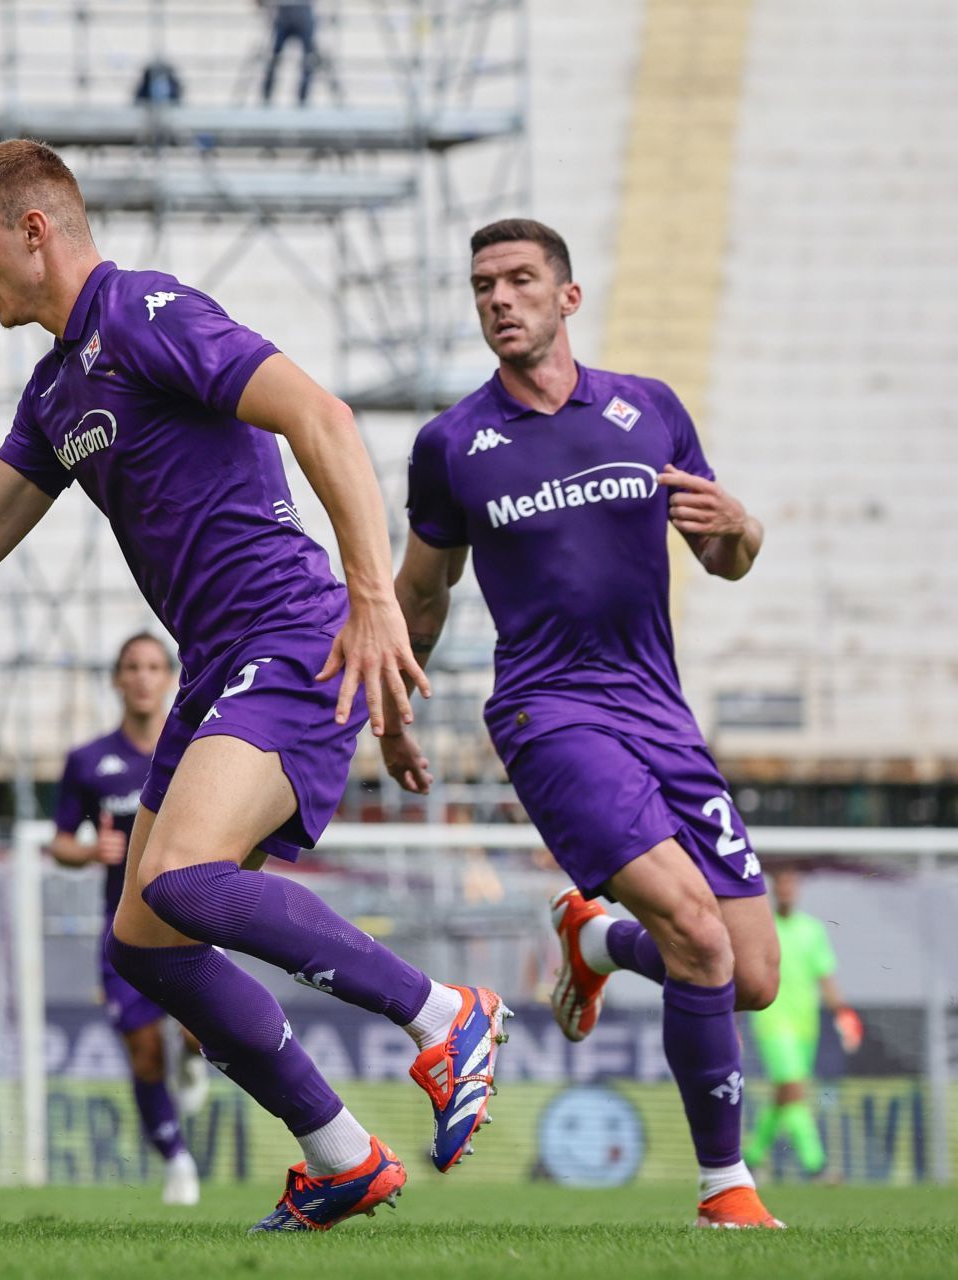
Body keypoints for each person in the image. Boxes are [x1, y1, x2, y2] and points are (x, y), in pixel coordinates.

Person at [0, 139, 510, 1233]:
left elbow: (322, 417)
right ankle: (341, 1152)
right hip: (214, 662)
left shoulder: (146, 311)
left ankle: (442, 1011)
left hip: (290, 636)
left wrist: (372, 594)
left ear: (34, 231)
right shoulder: (57, 390)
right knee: (144, 942)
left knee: (181, 880)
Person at [383, 218, 781, 1227]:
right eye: (482, 286)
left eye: (519, 280)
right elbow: (422, 593)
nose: (499, 299)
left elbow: (723, 555)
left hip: (661, 711)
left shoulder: (650, 411)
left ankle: (596, 938)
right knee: (695, 932)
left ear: (567, 297)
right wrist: (392, 706)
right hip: (549, 712)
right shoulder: (452, 444)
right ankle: (723, 1191)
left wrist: (745, 530)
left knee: (753, 974)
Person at [49, 632, 209, 1206]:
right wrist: (91, 852)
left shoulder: (198, 750)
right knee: (143, 1051)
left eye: (152, 666)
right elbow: (59, 844)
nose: (142, 677)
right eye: (131, 667)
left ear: (170, 677)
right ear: (117, 679)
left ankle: (193, 1062)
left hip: (192, 924)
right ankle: (178, 1163)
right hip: (125, 930)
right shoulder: (90, 761)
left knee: (200, 1035)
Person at [742, 867, 862, 1177]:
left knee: (785, 1094)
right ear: (773, 889)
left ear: (796, 890)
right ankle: (816, 1165)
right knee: (793, 1090)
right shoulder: (763, 928)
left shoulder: (812, 930)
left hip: (805, 1027)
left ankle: (751, 1159)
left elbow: (825, 976)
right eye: (780, 885)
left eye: (790, 885)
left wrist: (843, 1013)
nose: (785, 891)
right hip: (772, 1023)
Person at [259, 2, 319, 107]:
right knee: (274, 58)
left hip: (302, 15)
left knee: (307, 59)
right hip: (284, 15)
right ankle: (266, 97)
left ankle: (302, 98)